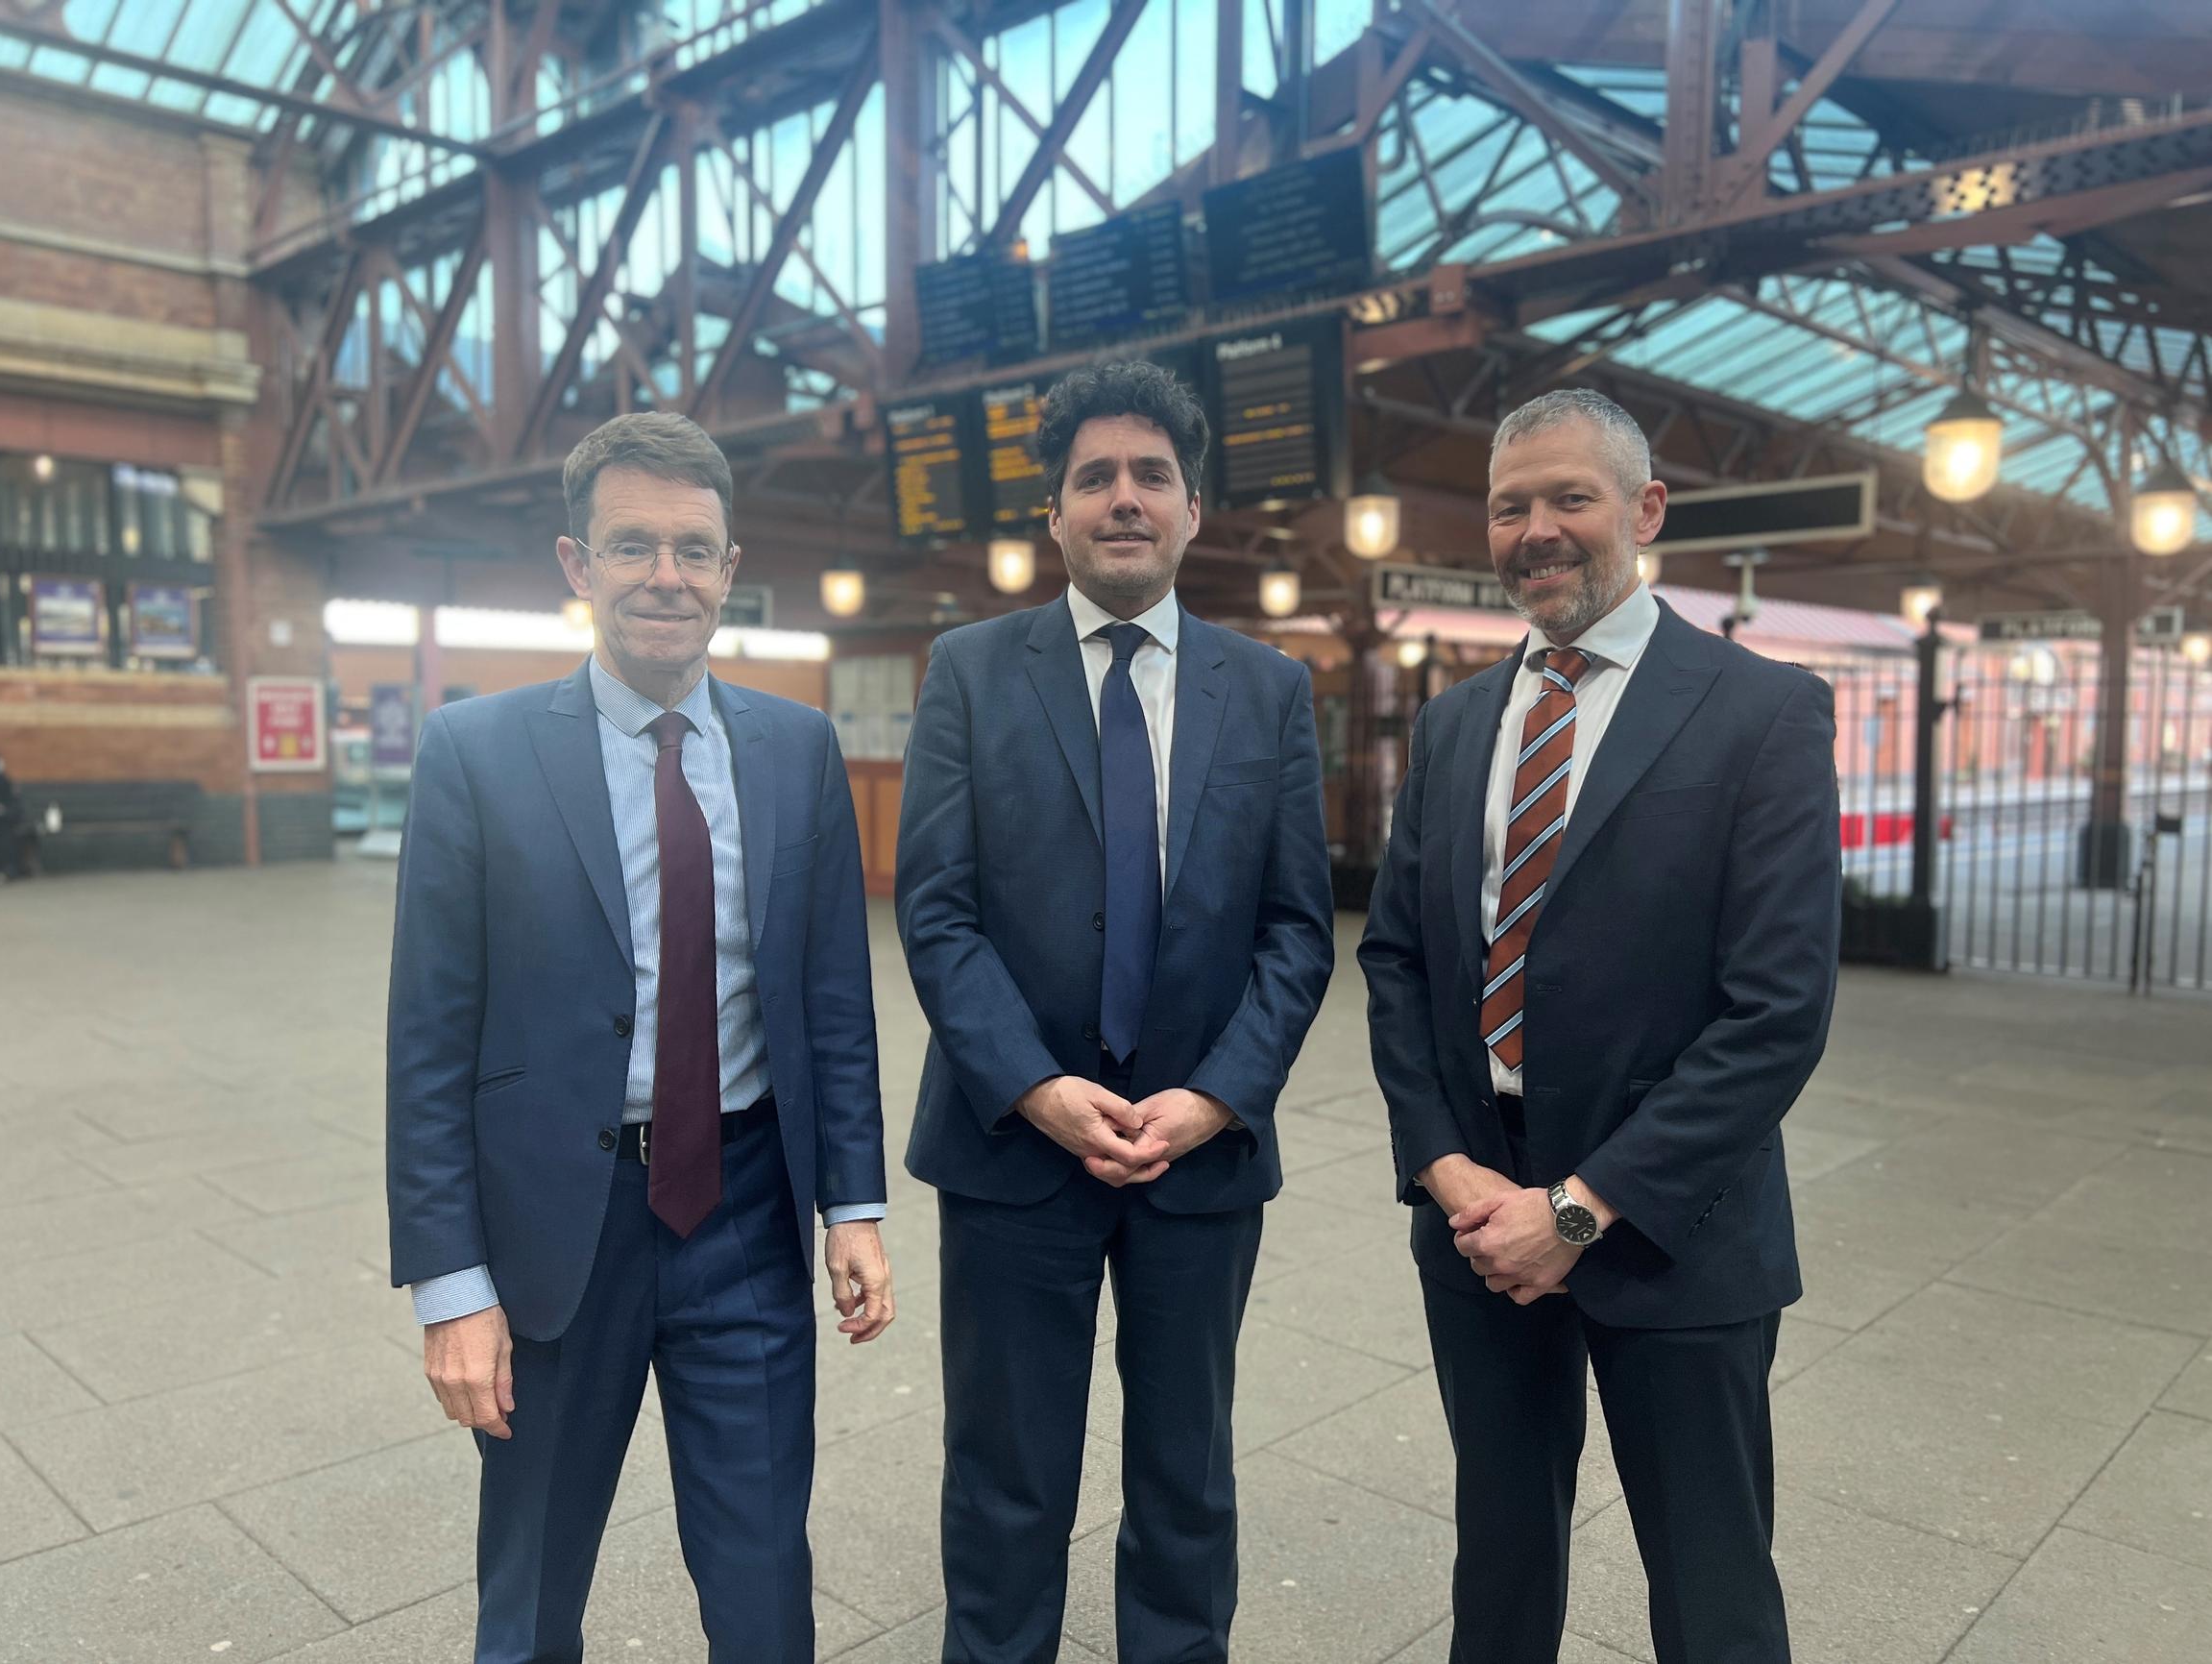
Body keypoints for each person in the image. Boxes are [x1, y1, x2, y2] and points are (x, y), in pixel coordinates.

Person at [385, 411, 894, 1664]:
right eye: (631, 547)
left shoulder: (794, 751)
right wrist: (452, 1289)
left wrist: (855, 1207)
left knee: (765, 1587)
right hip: (561, 1232)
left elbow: (834, 997)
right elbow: (428, 1041)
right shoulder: (475, 755)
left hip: (746, 1211)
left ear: (729, 569)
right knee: (533, 1589)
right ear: (577, 564)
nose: (664, 575)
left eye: (692, 548)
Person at [1359, 388, 1840, 1664]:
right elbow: (1400, 961)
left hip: (1670, 1231)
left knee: (1711, 1580)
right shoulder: (1461, 720)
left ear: (1644, 509)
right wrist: (1446, 1166)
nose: (1535, 530)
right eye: (1509, 505)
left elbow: (1776, 1012)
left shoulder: (1760, 712)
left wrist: (1577, 1209)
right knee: (1500, 1560)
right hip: (1477, 1217)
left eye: (1568, 497)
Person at [896, 360, 1335, 1664]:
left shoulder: (1266, 691)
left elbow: (1298, 928)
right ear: (1055, 517)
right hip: (1010, 1145)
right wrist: (1033, 1085)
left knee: (1185, 1477)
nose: (1124, 498)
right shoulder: (971, 673)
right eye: (1095, 478)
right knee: (1003, 1476)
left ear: (1194, 510)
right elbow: (937, 909)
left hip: (1196, 1154)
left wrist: (1216, 1098)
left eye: (1151, 475)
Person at [0, 748, 15, 882]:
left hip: (3, 819)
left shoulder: (4, 780)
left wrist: (2, 809)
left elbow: (13, 803)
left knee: (4, 836)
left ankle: (4, 870)